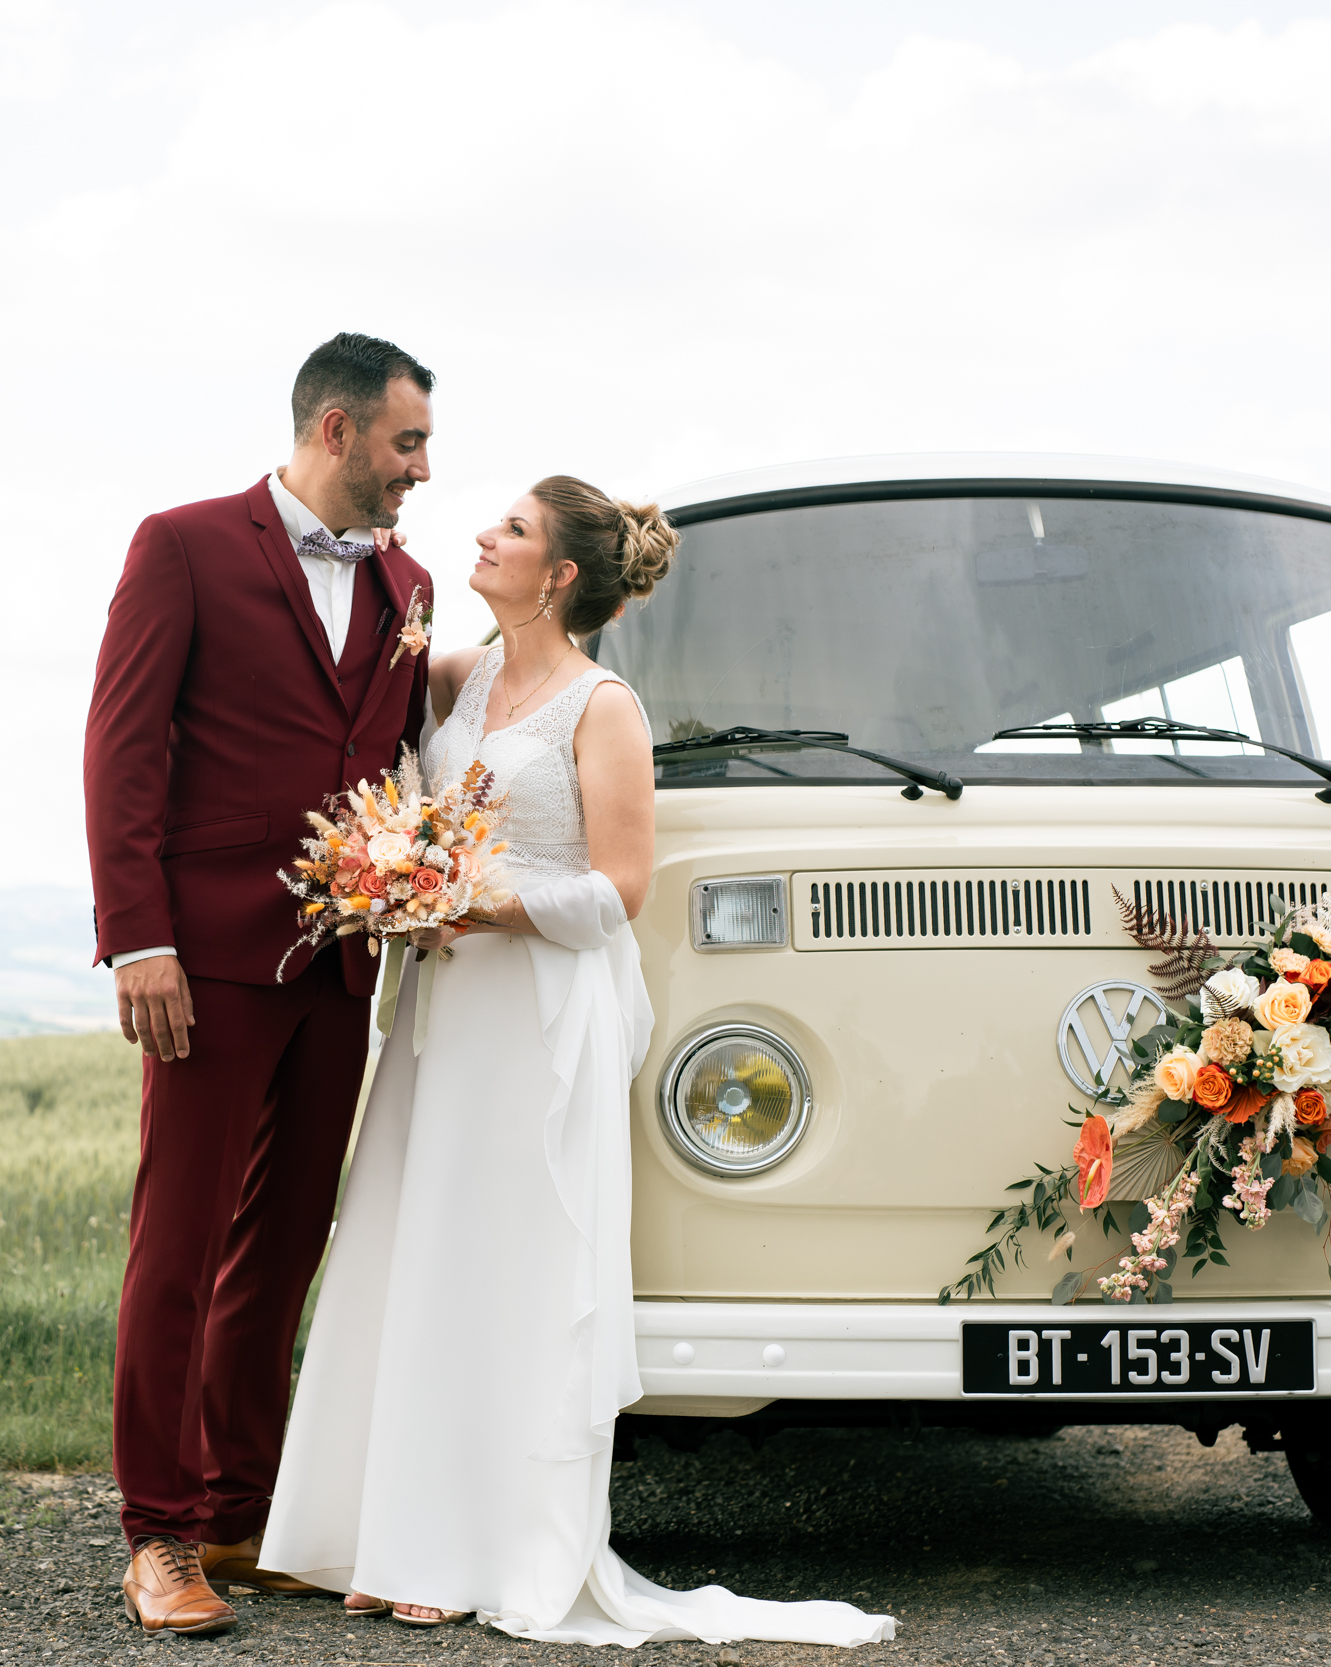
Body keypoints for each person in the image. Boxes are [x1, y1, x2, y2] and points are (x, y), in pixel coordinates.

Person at [260, 478, 898, 1649]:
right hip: (445, 1008)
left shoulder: (604, 706)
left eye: (510, 529)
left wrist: (477, 898)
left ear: (557, 574)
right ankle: (389, 1528)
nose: (484, 536)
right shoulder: (457, 678)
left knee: (517, 1262)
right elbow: (367, 691)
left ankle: (487, 1547)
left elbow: (620, 887)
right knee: (421, 1244)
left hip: (542, 1007)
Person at [81, 332, 437, 1637]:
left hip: (342, 963)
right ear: (336, 429)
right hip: (205, 958)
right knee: (175, 1248)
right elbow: (120, 742)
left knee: (282, 1246)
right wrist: (138, 934)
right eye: (407, 443)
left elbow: (387, 757)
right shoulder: (182, 544)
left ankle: (239, 1511)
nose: (422, 470)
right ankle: (158, 1534)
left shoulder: (410, 583)